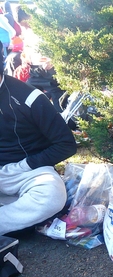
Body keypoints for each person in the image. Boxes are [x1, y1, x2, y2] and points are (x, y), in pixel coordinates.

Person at [0, 41, 77, 236]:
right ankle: (16, 218)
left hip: (28, 172)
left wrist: (24, 166)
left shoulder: (29, 97)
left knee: (52, 195)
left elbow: (66, 144)